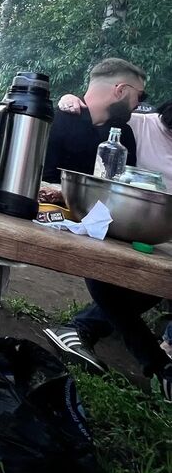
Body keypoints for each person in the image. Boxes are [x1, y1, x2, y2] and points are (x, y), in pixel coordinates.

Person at [41, 60, 172, 402]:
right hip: (83, 218)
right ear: (122, 90)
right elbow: (51, 174)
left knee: (155, 283)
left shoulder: (125, 128)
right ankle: (160, 366)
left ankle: (82, 329)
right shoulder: (130, 124)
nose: (139, 102)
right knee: (104, 266)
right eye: (138, 95)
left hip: (134, 226)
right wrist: (69, 100)